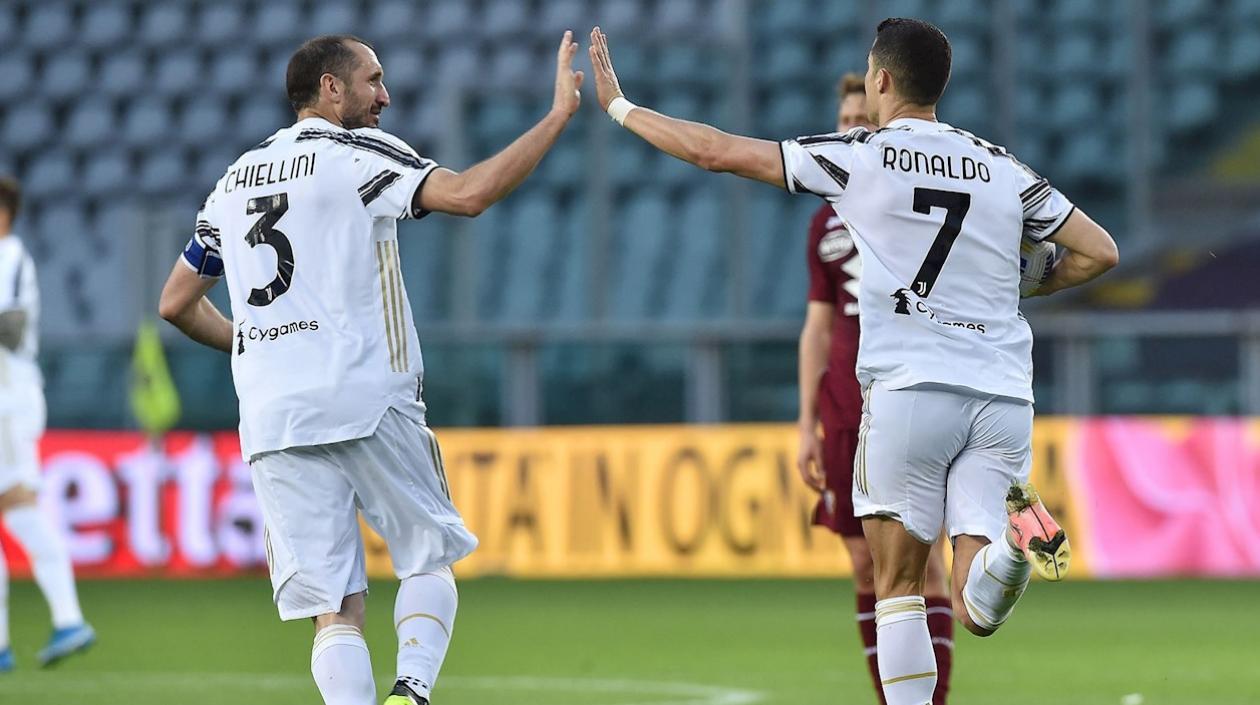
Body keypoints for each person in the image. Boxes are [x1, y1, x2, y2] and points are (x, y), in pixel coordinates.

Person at [588, 18, 1118, 705]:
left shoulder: (862, 155)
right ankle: (1015, 549)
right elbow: (1099, 250)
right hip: (1002, 395)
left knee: (895, 586)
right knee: (972, 599)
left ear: (885, 80)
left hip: (910, 392)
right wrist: (1028, 280)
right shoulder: (999, 164)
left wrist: (620, 107)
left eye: (869, 73)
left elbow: (718, 151)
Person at [158, 32, 585, 705]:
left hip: (274, 414)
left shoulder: (234, 180)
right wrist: (557, 115)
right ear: (331, 89)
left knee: (334, 608)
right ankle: (411, 691)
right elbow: (469, 194)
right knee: (428, 556)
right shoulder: (354, 153)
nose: (385, 95)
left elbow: (175, 302)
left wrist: (257, 343)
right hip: (366, 393)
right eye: (373, 80)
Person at [796, 74, 951, 705]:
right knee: (865, 564)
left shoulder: (922, 206)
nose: (853, 130)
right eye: (844, 122)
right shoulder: (823, 225)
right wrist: (806, 421)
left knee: (922, 563)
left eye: (864, 120)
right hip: (844, 409)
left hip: (910, 398)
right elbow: (817, 325)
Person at [0, 177, 96, 672]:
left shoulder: (9, 254)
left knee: (21, 510)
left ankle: (69, 617)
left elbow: (11, 326)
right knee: (16, 513)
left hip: (9, 403)